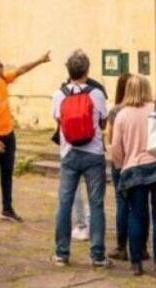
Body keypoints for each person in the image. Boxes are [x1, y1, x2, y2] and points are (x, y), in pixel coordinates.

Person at [111, 74, 156, 278]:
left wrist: (121, 165)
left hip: (134, 168)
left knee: (136, 214)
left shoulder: (122, 115)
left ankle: (136, 263)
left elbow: (115, 147)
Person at [50, 50, 111, 269]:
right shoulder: (97, 94)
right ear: (87, 70)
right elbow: (104, 122)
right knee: (96, 204)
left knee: (64, 203)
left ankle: (61, 253)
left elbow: (59, 120)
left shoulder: (59, 95)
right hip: (93, 153)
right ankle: (97, 255)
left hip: (69, 153)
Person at [0, 51, 51, 224]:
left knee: (7, 173)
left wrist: (40, 60)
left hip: (8, 135)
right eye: (0, 65)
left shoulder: (2, 79)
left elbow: (21, 70)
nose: (3, 67)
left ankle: (7, 209)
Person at [105, 72, 149, 262]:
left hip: (123, 161)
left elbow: (112, 139)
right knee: (141, 206)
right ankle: (142, 248)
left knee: (122, 203)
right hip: (143, 160)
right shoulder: (150, 109)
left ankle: (121, 246)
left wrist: (119, 163)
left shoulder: (116, 111)